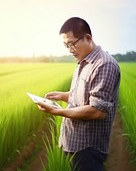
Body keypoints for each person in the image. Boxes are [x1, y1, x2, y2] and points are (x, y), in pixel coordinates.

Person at [37, 17, 121, 171]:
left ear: (87, 38)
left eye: (72, 44)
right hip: (72, 141)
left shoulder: (104, 65)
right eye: (66, 45)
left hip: (87, 148)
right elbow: (82, 96)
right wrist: (62, 95)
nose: (70, 49)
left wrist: (58, 111)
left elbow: (97, 111)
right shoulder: (83, 62)